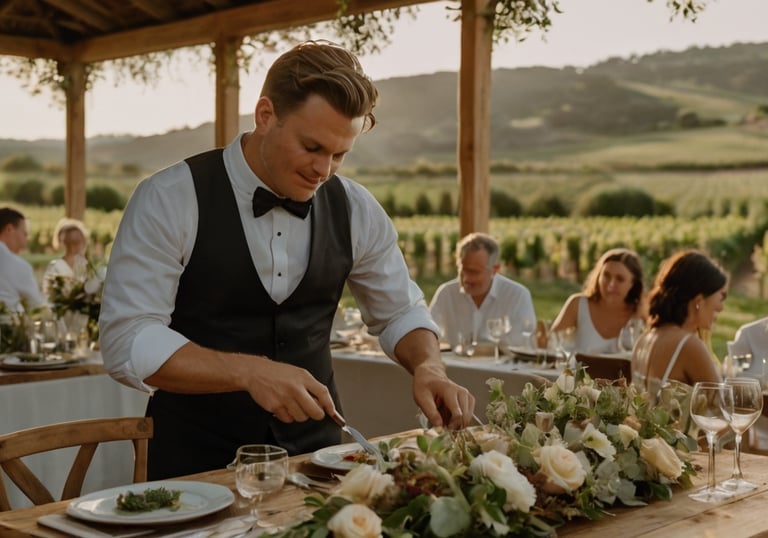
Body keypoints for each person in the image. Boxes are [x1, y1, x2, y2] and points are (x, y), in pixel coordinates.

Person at [99, 40, 475, 480]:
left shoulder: (356, 207)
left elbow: (400, 311)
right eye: (312, 147)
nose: (324, 169)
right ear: (265, 115)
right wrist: (248, 371)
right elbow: (128, 338)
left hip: (317, 465)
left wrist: (429, 366)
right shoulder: (169, 197)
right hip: (195, 471)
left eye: (340, 154)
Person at [631, 249, 725, 397]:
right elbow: (722, 409)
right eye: (720, 297)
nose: (721, 307)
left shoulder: (645, 339)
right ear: (699, 301)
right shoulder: (690, 346)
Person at [429, 232, 536, 350]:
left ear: (495, 270)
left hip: (500, 368)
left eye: (474, 272)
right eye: (462, 270)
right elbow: (426, 335)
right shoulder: (446, 293)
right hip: (452, 367)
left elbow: (523, 344)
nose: (466, 278)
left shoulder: (517, 296)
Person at [551, 247, 645, 354]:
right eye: (606, 276)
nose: (611, 285)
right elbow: (551, 344)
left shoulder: (642, 314)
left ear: (633, 284)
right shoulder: (578, 304)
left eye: (620, 279)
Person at [0, 207, 46, 312]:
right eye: (25, 234)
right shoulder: (17, 265)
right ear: (9, 229)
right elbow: (37, 306)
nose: (27, 240)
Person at [42, 218, 89, 295]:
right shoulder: (55, 266)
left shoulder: (86, 266)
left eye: (79, 240)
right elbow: (47, 292)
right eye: (73, 241)